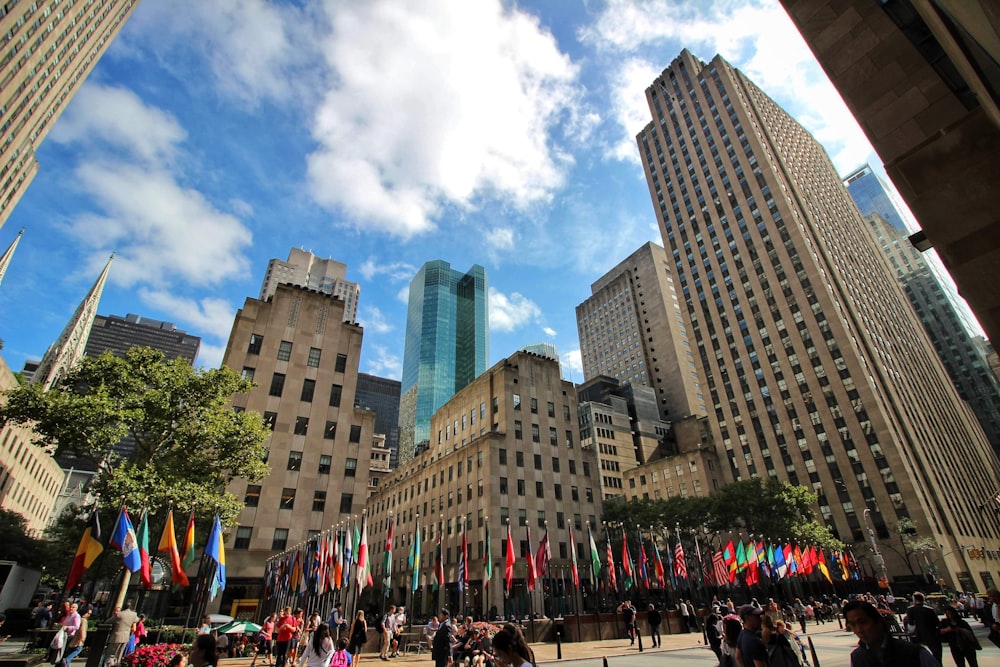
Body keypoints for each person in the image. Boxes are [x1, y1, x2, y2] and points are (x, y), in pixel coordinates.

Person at [845, 599, 939, 667]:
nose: (859, 630)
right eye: (853, 625)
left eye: (863, 622)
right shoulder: (857, 657)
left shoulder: (914, 653)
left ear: (879, 622)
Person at [907, 592, 944, 665]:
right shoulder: (929, 609)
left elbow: (911, 624)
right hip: (932, 634)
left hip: (919, 635)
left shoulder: (911, 609)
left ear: (914, 599)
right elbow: (937, 622)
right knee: (937, 656)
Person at [104, 602, 140, 667]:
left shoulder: (119, 615)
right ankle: (117, 665)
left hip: (116, 637)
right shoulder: (134, 614)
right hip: (125, 637)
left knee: (111, 654)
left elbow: (107, 621)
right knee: (119, 655)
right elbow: (137, 620)